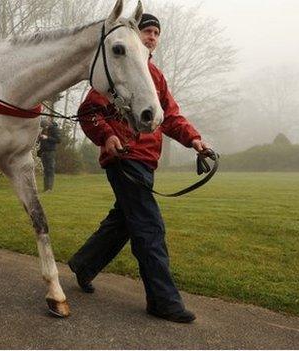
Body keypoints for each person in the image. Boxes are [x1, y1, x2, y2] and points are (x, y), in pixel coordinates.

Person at [67, 14, 211, 324]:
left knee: (123, 222)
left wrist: (195, 140)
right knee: (149, 227)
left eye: (156, 32)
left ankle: (84, 264)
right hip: (125, 159)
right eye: (147, 31)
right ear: (135, 36)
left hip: (147, 161)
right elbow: (89, 111)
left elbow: (170, 117)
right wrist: (107, 137)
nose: (152, 37)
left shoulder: (155, 77)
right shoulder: (121, 71)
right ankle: (163, 300)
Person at [37, 118, 61, 191]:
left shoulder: (54, 129)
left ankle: (49, 189)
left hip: (51, 152)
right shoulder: (43, 130)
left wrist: (47, 137)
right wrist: (39, 139)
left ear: (47, 124)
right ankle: (45, 188)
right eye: (42, 127)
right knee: (45, 170)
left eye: (44, 126)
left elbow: (58, 140)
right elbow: (41, 142)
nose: (44, 128)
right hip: (43, 152)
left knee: (50, 170)